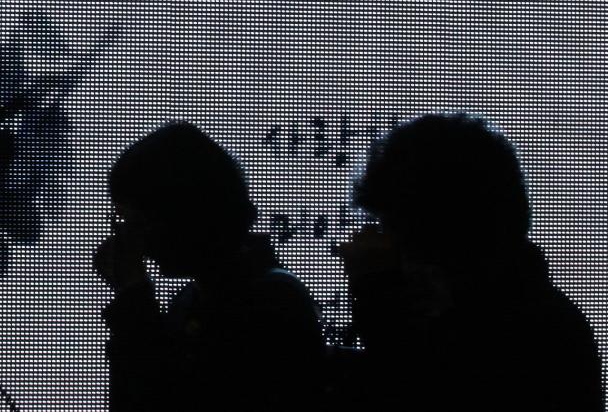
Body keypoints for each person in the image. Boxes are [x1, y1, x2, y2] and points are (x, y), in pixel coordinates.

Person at [338, 113, 603, 412]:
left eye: (394, 227)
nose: (390, 245)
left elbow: (411, 390)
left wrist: (379, 302)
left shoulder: (497, 336)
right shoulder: (538, 317)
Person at [93, 121, 326, 411]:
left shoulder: (270, 305)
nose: (132, 241)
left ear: (184, 216)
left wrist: (134, 298)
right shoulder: (195, 301)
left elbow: (167, 396)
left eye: (139, 224)